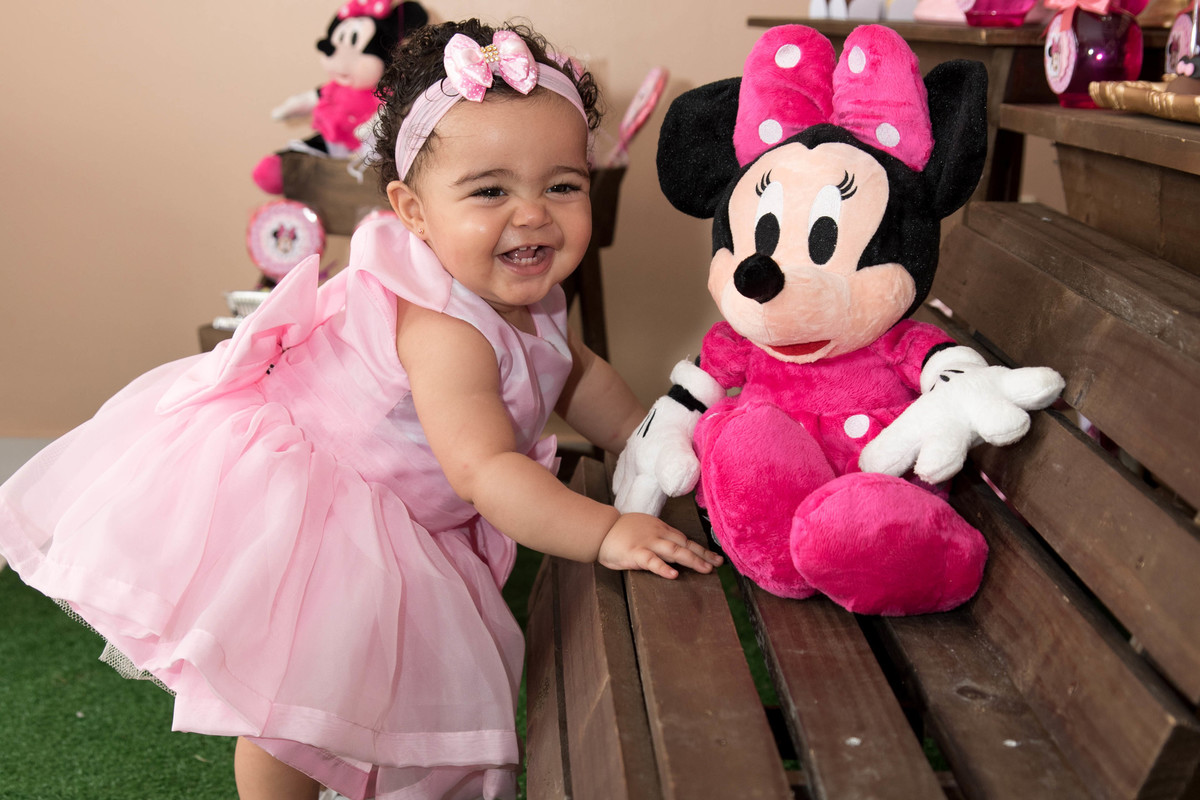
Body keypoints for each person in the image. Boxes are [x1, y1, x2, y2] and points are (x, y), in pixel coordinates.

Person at [0, 19, 722, 800]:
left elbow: (576, 372)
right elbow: (485, 471)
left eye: (563, 186)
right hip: (326, 507)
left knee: (369, 686)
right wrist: (606, 532)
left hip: (403, 507)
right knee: (293, 708)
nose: (533, 214)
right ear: (414, 211)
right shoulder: (446, 332)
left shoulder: (534, 294)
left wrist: (645, 437)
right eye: (490, 191)